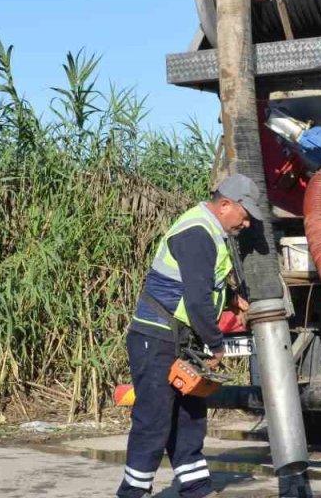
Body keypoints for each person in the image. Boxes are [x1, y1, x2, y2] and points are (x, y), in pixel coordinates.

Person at [116, 173, 264, 498]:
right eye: (245, 214)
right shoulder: (197, 232)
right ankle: (132, 492)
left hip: (177, 339)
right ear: (225, 205)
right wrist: (215, 344)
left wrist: (230, 299)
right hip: (156, 338)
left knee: (190, 418)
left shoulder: (210, 231)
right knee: (154, 421)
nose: (248, 223)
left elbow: (199, 288)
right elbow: (196, 299)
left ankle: (196, 489)